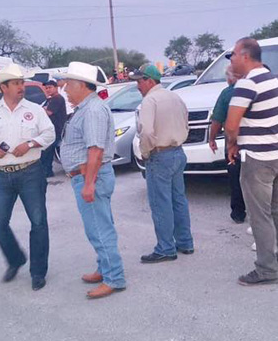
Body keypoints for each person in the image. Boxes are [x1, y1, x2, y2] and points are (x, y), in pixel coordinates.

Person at [0, 64, 55, 291]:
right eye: (16, 83)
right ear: (3, 87)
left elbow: (49, 133)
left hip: (31, 173)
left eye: (22, 83)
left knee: (38, 222)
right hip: (1, 176)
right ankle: (15, 259)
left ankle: (38, 272)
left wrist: (30, 144)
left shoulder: (34, 110)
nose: (21, 87)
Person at [225, 38, 278, 286]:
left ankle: (267, 270)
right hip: (277, 155)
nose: (231, 59)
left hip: (257, 159)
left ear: (245, 56)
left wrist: (232, 144)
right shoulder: (271, 78)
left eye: (233, 55)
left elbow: (231, 125)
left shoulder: (247, 83)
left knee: (259, 215)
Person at [58, 62, 126, 299]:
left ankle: (114, 278)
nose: (65, 89)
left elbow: (95, 150)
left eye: (68, 84)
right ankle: (105, 268)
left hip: (91, 176)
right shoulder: (87, 108)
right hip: (88, 175)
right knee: (99, 226)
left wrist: (88, 183)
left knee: (99, 229)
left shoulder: (93, 110)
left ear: (81, 85)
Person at [132, 64, 195, 263]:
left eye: (139, 81)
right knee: (178, 200)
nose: (137, 86)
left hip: (159, 155)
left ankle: (166, 248)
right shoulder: (174, 97)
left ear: (150, 81)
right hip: (177, 152)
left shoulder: (150, 100)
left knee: (161, 203)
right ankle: (185, 241)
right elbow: (186, 123)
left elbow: (146, 132)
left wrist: (145, 152)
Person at [209, 66, 247, 223]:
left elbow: (217, 120)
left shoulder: (227, 93)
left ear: (231, 78)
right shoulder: (253, 88)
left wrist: (212, 139)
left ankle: (238, 212)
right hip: (255, 140)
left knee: (235, 176)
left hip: (235, 141)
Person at [40, 80, 67, 178]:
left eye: (50, 87)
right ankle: (47, 171)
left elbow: (48, 112)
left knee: (47, 151)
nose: (48, 90)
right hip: (50, 129)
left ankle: (47, 171)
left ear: (56, 88)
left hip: (57, 129)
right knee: (47, 151)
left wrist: (41, 109)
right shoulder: (50, 99)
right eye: (46, 88)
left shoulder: (57, 99)